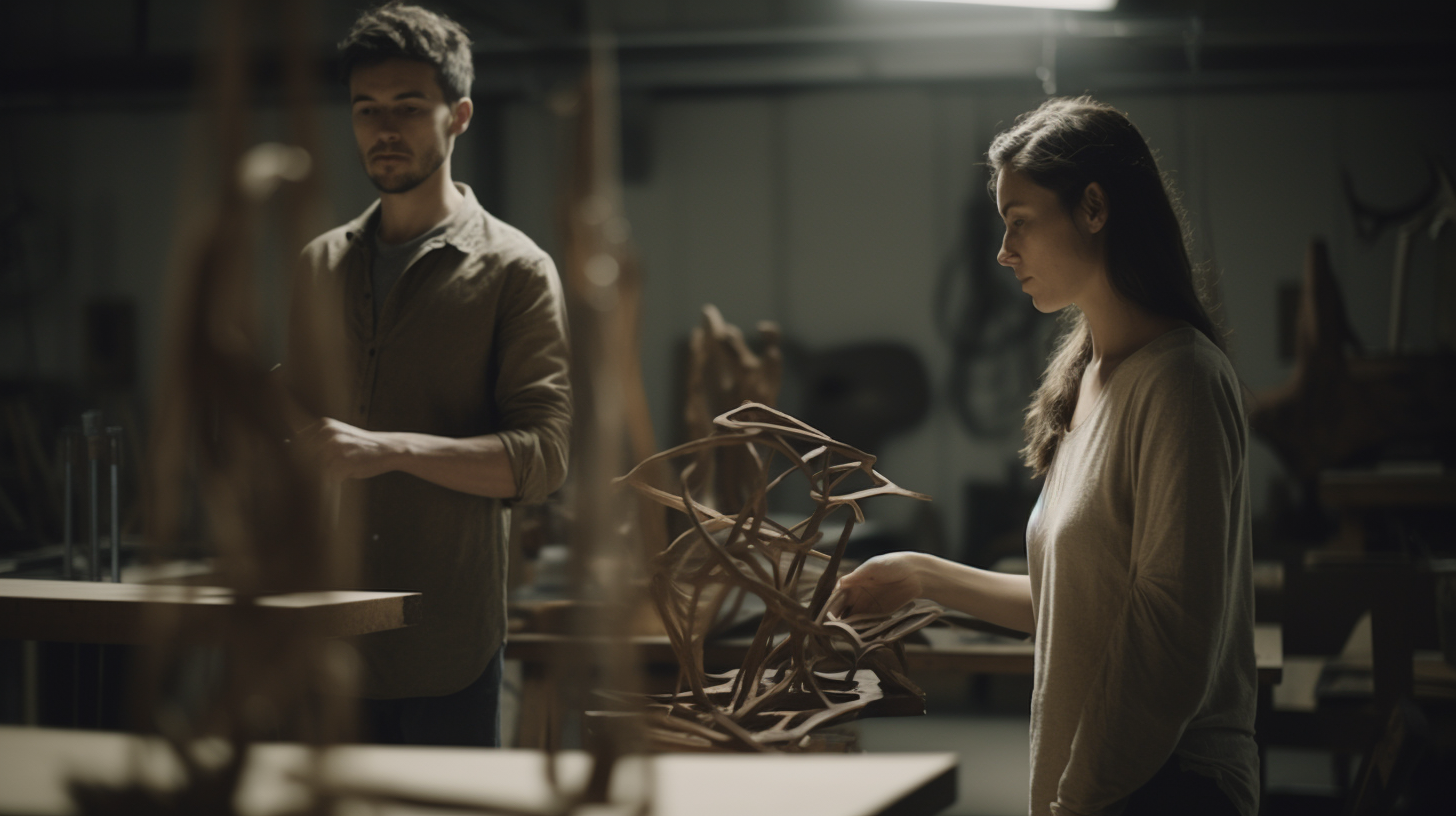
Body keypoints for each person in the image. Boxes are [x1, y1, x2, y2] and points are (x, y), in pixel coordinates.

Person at [832, 97, 1258, 816]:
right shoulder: (1091, 378)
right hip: (1096, 785)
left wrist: (1078, 796)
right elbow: (1074, 604)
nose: (1004, 251)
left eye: (1020, 221)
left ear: (1094, 207)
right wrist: (917, 575)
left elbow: (1168, 635)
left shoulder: (1181, 380)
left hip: (1167, 787)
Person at [284, 2, 571, 748]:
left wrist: (393, 450)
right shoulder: (319, 264)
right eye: (367, 108)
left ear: (460, 116)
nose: (385, 129)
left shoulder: (516, 270)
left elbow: (543, 458)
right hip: (321, 643)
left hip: (445, 646)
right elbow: (294, 419)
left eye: (409, 108)